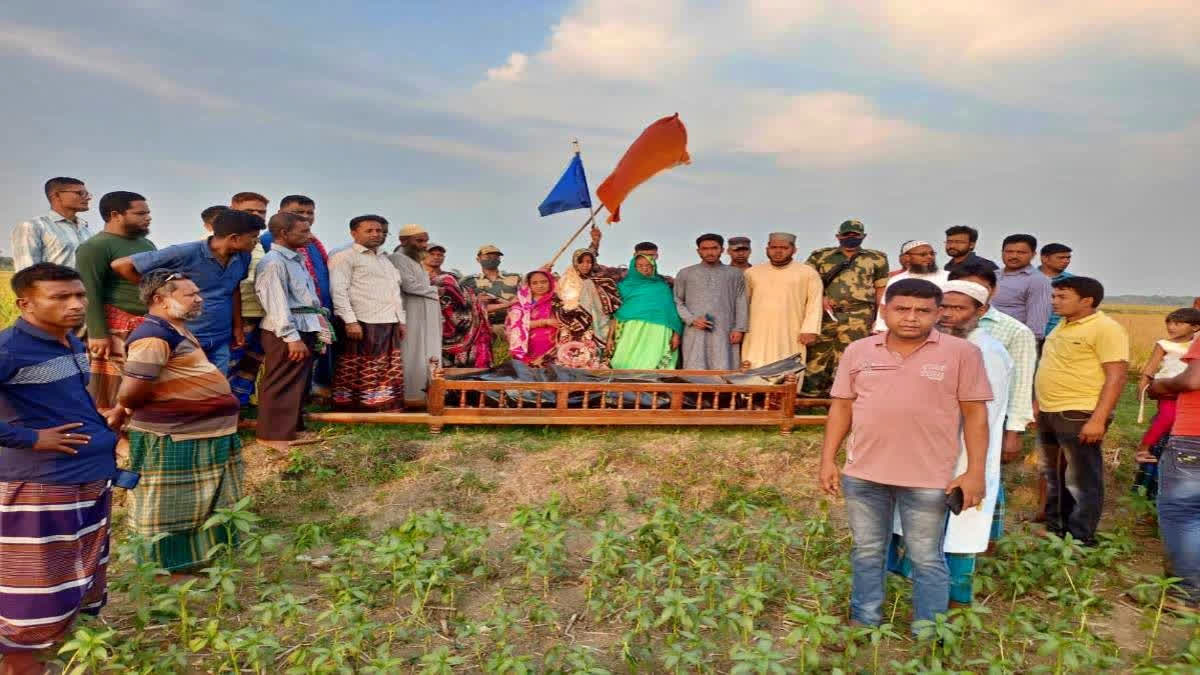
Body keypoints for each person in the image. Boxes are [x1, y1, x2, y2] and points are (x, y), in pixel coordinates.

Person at [818, 278, 991, 629]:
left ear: (938, 313)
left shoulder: (962, 354)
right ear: (884, 311)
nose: (911, 318)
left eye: (923, 311)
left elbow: (976, 416)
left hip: (928, 478)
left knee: (926, 557)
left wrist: (974, 472)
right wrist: (827, 460)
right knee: (867, 551)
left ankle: (929, 630)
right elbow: (841, 408)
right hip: (863, 474)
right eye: (902, 309)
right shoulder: (859, 351)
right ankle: (864, 622)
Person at [0, 264, 121, 672]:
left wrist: (99, 418)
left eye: (80, 295)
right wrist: (34, 439)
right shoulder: (10, 349)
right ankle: (21, 663)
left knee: (75, 573)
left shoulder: (69, 342)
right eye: (60, 297)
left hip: (86, 478)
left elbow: (64, 398)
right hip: (42, 485)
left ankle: (59, 656)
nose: (76, 305)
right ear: (25, 303)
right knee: (33, 587)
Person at [887, 280, 1014, 607]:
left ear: (981, 312)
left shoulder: (988, 352)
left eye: (959, 308)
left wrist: (971, 471)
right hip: (923, 457)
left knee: (955, 535)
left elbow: (983, 415)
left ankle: (951, 610)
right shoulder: (936, 347)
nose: (947, 315)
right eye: (943, 307)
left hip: (961, 459)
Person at [117, 270, 244, 576]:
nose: (199, 298)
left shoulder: (176, 329)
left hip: (199, 433)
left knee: (200, 504)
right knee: (170, 509)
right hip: (175, 436)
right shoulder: (152, 336)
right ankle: (164, 571)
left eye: (198, 292)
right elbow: (132, 391)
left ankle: (197, 561)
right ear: (160, 300)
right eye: (190, 294)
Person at [112, 209, 264, 374]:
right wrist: (160, 291)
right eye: (253, 237)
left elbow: (233, 289)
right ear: (234, 238)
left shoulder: (242, 256)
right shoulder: (184, 253)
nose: (256, 242)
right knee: (186, 390)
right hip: (187, 336)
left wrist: (237, 327)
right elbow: (121, 265)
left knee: (217, 390)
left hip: (221, 337)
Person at [1036, 276, 1129, 544]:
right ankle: (1056, 531)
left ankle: (1080, 539)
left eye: (1062, 296)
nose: (1054, 301)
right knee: (1054, 475)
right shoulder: (1062, 326)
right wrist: (1037, 403)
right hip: (1050, 410)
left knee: (1081, 479)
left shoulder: (1106, 329)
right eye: (1054, 296)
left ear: (1087, 300)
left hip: (1080, 412)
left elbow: (1116, 376)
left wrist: (1098, 419)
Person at [947, 262, 1038, 517]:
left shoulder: (1013, 331)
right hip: (940, 432)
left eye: (977, 289)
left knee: (978, 488)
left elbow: (1021, 384)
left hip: (985, 424)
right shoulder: (940, 330)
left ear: (990, 293)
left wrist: (1014, 431)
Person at [254, 213, 333, 450]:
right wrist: (291, 337)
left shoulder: (295, 259)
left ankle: (292, 429)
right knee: (281, 380)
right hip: (286, 332)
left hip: (304, 326)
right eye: (303, 231)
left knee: (299, 381)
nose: (309, 236)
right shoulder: (273, 262)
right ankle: (272, 435)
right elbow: (275, 302)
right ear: (284, 234)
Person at [75, 191, 155, 410]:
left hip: (145, 324)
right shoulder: (95, 247)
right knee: (110, 387)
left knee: (141, 381)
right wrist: (98, 334)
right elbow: (90, 291)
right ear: (115, 215)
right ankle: (113, 436)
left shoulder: (146, 244)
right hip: (115, 326)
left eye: (147, 213)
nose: (148, 217)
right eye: (140, 213)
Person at [328, 215, 408, 411]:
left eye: (380, 231)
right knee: (358, 367)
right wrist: (349, 321)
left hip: (388, 320)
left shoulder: (385, 259)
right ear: (354, 233)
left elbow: (394, 292)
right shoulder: (345, 257)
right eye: (369, 230)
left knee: (387, 366)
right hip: (362, 321)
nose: (376, 234)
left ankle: (385, 405)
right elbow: (338, 291)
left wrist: (401, 321)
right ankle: (356, 408)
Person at [1147, 325, 1200, 614]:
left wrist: (1161, 386)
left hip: (1195, 437)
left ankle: (1187, 595)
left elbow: (1194, 380)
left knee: (1184, 514)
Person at [803, 220, 890, 397]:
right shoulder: (820, 256)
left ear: (863, 236)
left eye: (855, 235)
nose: (851, 238)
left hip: (859, 314)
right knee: (818, 352)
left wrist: (879, 319)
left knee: (852, 355)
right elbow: (806, 281)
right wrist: (820, 298)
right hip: (826, 313)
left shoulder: (877, 258)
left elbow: (880, 288)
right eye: (847, 235)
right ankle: (810, 394)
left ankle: (843, 395)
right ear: (838, 236)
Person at [1133, 308, 1200, 499]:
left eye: (1178, 323)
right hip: (1167, 389)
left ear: (1195, 327)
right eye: (1169, 323)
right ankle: (1144, 447)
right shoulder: (1163, 344)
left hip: (1188, 393)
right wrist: (1143, 385)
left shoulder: (1197, 344)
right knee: (1167, 417)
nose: (1171, 327)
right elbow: (1150, 368)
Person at [741, 233, 822, 381]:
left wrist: (810, 330)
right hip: (756, 332)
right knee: (753, 367)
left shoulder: (807, 273)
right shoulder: (752, 273)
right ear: (767, 249)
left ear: (794, 250)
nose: (778, 251)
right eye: (774, 247)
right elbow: (742, 304)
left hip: (791, 331)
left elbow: (814, 303)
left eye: (784, 247)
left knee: (788, 371)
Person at [674, 234, 748, 370]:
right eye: (705, 249)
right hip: (695, 330)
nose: (710, 252)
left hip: (725, 330)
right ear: (698, 251)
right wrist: (691, 319)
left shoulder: (734, 274)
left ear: (722, 250)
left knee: (725, 366)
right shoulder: (686, 273)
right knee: (694, 367)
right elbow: (678, 300)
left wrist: (739, 329)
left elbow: (741, 301)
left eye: (714, 248)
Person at [389, 224, 442, 406]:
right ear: (403, 241)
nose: (424, 245)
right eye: (419, 241)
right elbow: (409, 286)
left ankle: (426, 395)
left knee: (426, 353)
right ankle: (409, 396)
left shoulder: (416, 262)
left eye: (426, 241)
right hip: (411, 313)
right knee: (412, 351)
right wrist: (436, 291)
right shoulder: (397, 258)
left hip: (425, 315)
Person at [227, 193, 271, 406]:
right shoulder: (224, 241)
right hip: (236, 315)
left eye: (261, 211)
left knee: (250, 365)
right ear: (232, 209)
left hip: (258, 313)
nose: (256, 215)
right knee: (229, 364)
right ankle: (221, 410)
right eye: (249, 211)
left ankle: (238, 407)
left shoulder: (258, 242)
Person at [423, 242, 492, 369]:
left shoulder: (451, 277)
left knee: (462, 362)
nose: (436, 257)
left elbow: (466, 298)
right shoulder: (416, 275)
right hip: (427, 321)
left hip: (458, 326)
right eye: (432, 254)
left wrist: (478, 303)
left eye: (440, 254)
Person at [551, 248, 621, 368]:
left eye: (589, 262)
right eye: (581, 261)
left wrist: (609, 337)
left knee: (595, 365)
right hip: (571, 332)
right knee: (571, 364)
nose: (585, 265)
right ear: (575, 262)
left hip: (598, 332)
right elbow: (557, 306)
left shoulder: (601, 283)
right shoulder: (565, 283)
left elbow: (611, 312)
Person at [609, 254, 682, 369]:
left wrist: (676, 335)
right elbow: (615, 311)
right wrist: (610, 338)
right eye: (640, 266)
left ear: (654, 267)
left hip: (659, 330)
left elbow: (672, 311)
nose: (645, 268)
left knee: (652, 364)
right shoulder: (623, 286)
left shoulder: (662, 287)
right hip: (631, 329)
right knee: (623, 362)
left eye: (648, 265)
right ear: (634, 267)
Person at [11, 177, 94, 271]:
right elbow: (26, 273)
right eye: (80, 193)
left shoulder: (85, 228)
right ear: (56, 195)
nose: (88, 198)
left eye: (87, 194)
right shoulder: (32, 227)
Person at [873, 240, 949, 332]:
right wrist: (881, 329)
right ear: (907, 257)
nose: (929, 257)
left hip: (942, 331)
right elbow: (886, 307)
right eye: (923, 254)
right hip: (905, 330)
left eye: (932, 254)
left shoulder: (948, 277)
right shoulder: (896, 279)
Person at [992, 234, 1053, 341]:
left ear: (1033, 255)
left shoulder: (1038, 280)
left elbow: (1036, 326)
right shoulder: (992, 276)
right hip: (984, 341)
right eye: (1009, 252)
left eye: (1021, 252)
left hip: (1012, 343)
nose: (1014, 256)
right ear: (1002, 252)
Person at [461, 244, 523, 334]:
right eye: (488, 256)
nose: (492, 259)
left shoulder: (515, 278)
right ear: (478, 259)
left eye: (496, 257)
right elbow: (461, 305)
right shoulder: (467, 281)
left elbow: (531, 292)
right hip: (480, 327)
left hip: (513, 325)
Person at [505, 270, 559, 366]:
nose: (540, 286)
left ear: (550, 282)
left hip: (553, 348)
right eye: (535, 283)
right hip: (527, 350)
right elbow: (516, 326)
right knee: (528, 376)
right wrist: (545, 322)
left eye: (544, 282)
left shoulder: (558, 301)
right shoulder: (519, 303)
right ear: (529, 285)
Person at [1039, 243, 1074, 339]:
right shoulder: (1027, 278)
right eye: (1061, 258)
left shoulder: (1073, 281)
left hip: (1059, 336)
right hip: (1029, 335)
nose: (1066, 261)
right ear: (1045, 258)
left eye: (1068, 258)